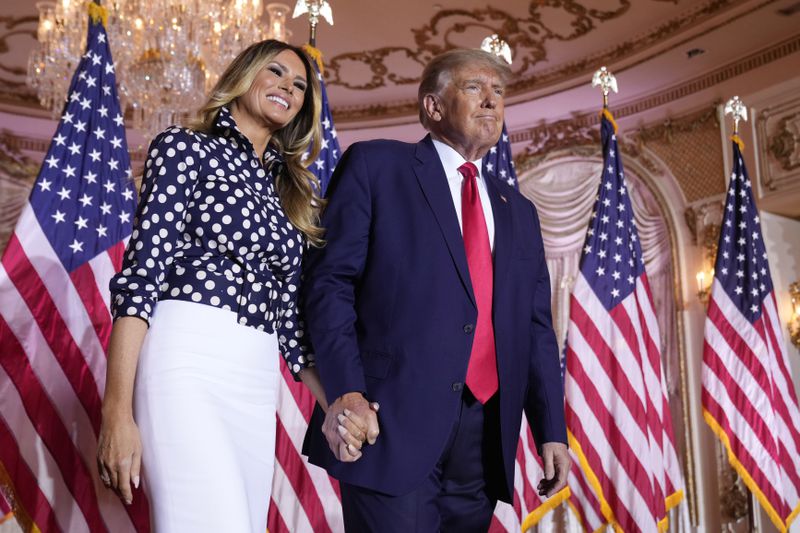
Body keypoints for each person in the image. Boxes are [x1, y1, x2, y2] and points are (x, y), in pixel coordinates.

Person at [302, 48, 571, 531]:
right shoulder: (376, 166)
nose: (491, 101)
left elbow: (536, 328)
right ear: (433, 106)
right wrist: (346, 393)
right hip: (387, 423)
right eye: (474, 88)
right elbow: (329, 283)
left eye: (499, 93)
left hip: (485, 437)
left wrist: (551, 429)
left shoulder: (519, 210)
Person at [97, 40, 333, 532]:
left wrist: (337, 402)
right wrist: (116, 411)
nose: (288, 88)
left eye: (299, 86)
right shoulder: (184, 148)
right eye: (276, 72)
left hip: (255, 376)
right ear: (243, 75)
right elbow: (141, 277)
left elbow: (292, 324)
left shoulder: (289, 192)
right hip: (187, 357)